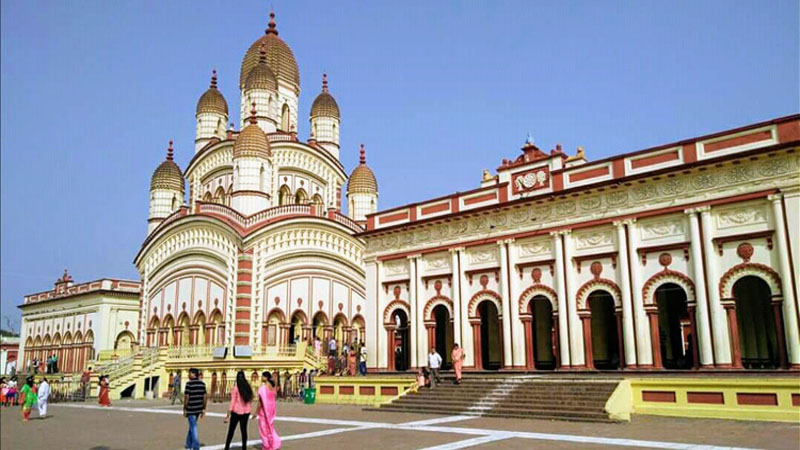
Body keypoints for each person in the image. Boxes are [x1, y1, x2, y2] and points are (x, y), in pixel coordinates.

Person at [224, 371, 253, 450]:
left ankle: (227, 447)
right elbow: (250, 400)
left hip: (236, 412)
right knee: (244, 430)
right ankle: (244, 447)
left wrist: (228, 414)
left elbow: (232, 401)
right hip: (246, 412)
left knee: (231, 430)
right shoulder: (247, 387)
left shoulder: (236, 388)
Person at [255, 371, 281, 450]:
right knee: (270, 427)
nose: (261, 378)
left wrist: (256, 412)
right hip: (271, 409)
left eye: (262, 376)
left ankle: (267, 445)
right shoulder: (272, 386)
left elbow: (260, 402)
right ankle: (273, 443)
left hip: (264, 411)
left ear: (266, 378)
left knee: (263, 429)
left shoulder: (263, 388)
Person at [183, 368, 207, 450]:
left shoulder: (189, 384)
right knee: (192, 426)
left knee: (193, 427)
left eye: (189, 373)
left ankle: (196, 446)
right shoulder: (202, 384)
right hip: (198, 408)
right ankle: (188, 444)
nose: (188, 375)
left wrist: (184, 408)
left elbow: (186, 397)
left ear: (193, 374)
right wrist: (204, 408)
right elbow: (205, 397)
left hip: (191, 408)